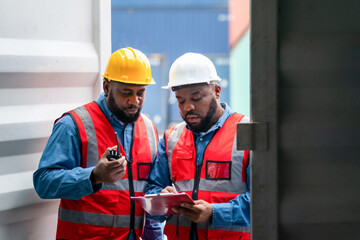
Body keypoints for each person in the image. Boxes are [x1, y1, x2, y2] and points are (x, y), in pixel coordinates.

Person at [33, 47, 162, 240]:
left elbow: (147, 202)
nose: (134, 101)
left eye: (141, 93)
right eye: (126, 92)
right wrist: (92, 176)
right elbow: (44, 183)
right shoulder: (73, 125)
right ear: (107, 86)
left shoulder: (150, 129)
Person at [145, 53, 251, 240]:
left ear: (217, 91)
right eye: (181, 100)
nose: (188, 107)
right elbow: (152, 191)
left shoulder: (246, 134)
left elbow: (265, 198)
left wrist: (214, 213)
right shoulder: (171, 139)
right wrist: (161, 199)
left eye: (196, 98)